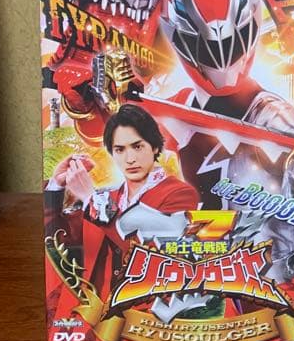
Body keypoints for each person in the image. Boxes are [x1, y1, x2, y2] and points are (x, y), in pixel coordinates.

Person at [46, 103, 199, 300]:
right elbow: (59, 240)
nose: (130, 159)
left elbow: (152, 256)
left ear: (154, 147)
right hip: (101, 310)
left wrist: (91, 198)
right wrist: (55, 186)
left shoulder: (180, 194)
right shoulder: (108, 198)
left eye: (137, 147)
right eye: (119, 149)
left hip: (149, 311)